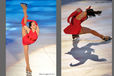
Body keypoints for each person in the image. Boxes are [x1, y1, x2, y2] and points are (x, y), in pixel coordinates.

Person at [20, 3, 39, 74]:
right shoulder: (28, 30)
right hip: (25, 40)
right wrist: (27, 20)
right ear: (31, 26)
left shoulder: (37, 30)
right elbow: (23, 24)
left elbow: (36, 23)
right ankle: (28, 66)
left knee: (24, 21)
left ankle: (25, 9)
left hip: (30, 40)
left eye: (35, 25)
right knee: (26, 54)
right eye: (33, 25)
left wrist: (31, 21)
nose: (35, 25)